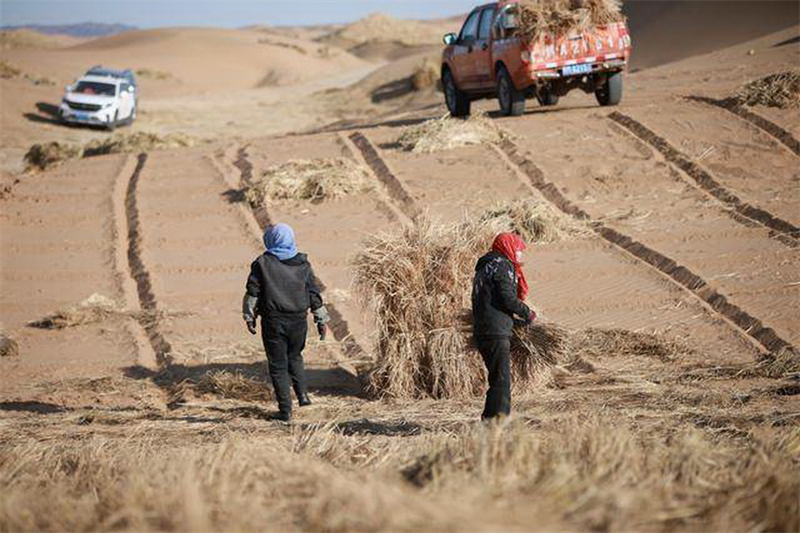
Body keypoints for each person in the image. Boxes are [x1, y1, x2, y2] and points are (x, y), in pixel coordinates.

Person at [243, 223, 330, 421]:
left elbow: (253, 293)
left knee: (277, 365)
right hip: (299, 321)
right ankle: (303, 396)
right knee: (295, 356)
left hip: (274, 322)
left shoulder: (262, 264)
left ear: (270, 240)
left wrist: (249, 316)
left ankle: (285, 410)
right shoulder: (303, 264)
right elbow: (313, 294)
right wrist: (321, 319)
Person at [471, 232, 536, 420]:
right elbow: (507, 298)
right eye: (518, 250)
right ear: (508, 247)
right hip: (495, 332)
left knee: (497, 378)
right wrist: (527, 312)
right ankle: (498, 421)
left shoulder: (485, 268)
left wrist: (514, 323)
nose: (520, 255)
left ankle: (490, 419)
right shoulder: (502, 266)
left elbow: (492, 303)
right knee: (501, 379)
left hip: (485, 329)